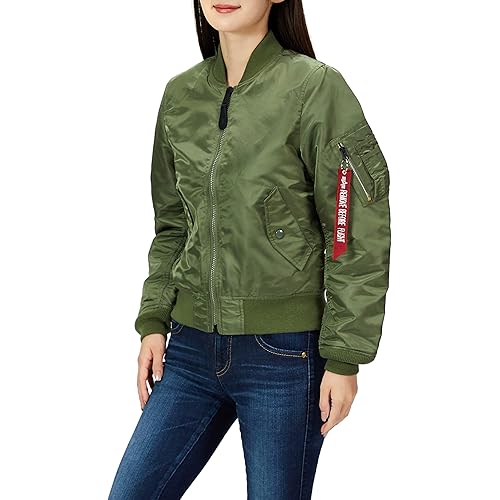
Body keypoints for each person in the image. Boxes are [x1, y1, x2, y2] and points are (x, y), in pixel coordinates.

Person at [108, 0, 391, 498]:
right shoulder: (180, 96)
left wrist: (345, 356)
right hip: (189, 349)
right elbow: (172, 224)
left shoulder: (315, 88)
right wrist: (153, 320)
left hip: (283, 354)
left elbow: (352, 230)